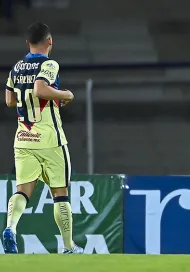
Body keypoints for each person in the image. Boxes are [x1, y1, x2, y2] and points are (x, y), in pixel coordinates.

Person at [2, 22, 83, 254]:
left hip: (23, 138)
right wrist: (64, 94)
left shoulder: (16, 67)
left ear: (27, 43)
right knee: (60, 193)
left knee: (22, 190)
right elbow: (40, 89)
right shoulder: (49, 64)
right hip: (50, 139)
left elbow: (9, 100)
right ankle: (68, 247)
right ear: (50, 42)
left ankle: (10, 228)